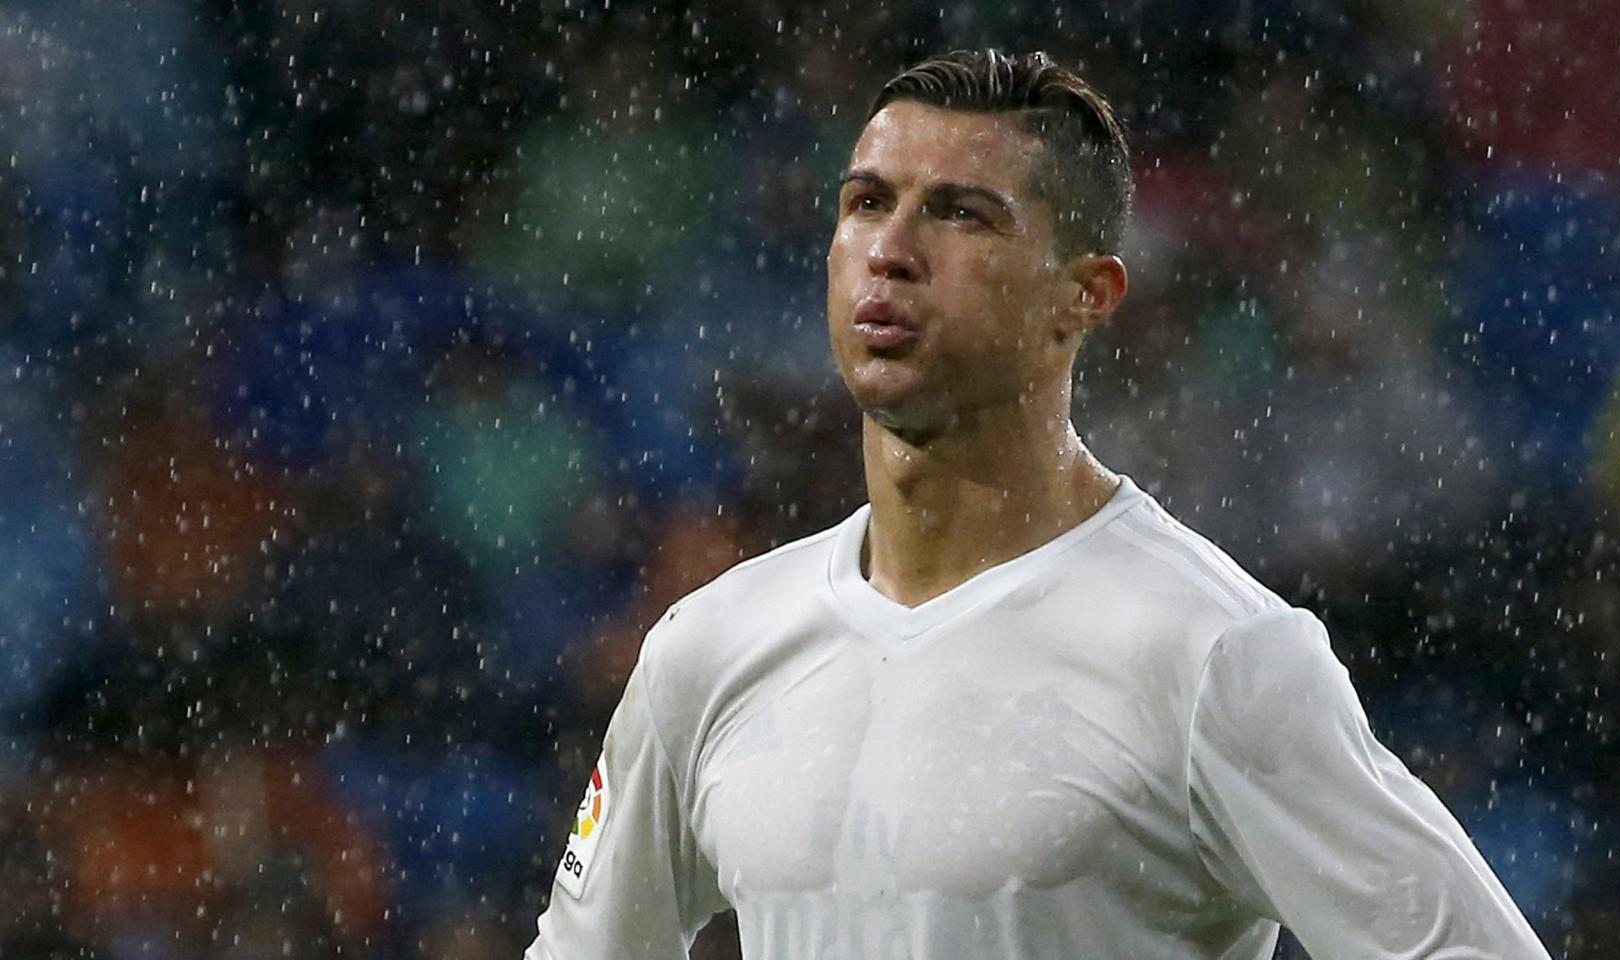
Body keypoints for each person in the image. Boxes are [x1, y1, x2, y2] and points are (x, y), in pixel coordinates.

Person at [525, 49, 1551, 960]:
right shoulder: (705, 648)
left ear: (1085, 295)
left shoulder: (1211, 656)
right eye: (865, 202)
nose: (890, 249)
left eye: (959, 213)